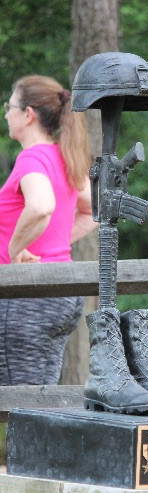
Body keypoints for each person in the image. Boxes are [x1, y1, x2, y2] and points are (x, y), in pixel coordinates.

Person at [0, 75, 97, 385]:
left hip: (26, 298)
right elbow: (95, 208)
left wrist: (15, 250)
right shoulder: (62, 156)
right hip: (60, 294)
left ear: (27, 114)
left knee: (22, 406)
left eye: (9, 106)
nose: (6, 114)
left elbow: (41, 206)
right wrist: (46, 244)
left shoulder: (31, 159)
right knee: (39, 401)